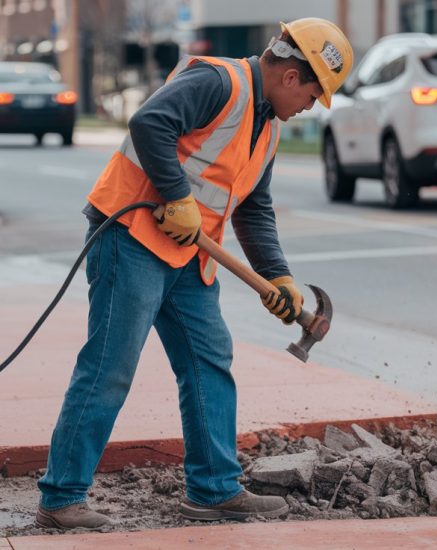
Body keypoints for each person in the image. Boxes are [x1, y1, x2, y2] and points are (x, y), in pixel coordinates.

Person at [35, 17, 353, 529]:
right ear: (293, 77)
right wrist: (178, 198)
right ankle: (61, 497)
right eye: (315, 95)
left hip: (188, 255)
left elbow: (254, 206)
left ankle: (213, 491)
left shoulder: (267, 126)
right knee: (110, 367)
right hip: (132, 235)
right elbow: (149, 123)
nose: (309, 109)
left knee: (209, 361)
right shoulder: (218, 82)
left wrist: (279, 277)